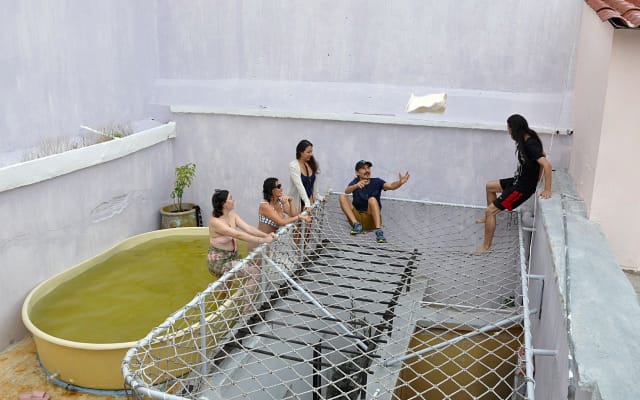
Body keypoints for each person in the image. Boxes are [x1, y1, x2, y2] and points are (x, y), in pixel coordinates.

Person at [474, 114, 552, 253]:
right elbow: (543, 154)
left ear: (514, 128)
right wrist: (536, 177)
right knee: (489, 186)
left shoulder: (530, 144)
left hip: (522, 188)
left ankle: (486, 246)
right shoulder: (527, 137)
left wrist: (547, 189)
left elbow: (546, 164)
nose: (508, 130)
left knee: (490, 210)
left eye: (509, 127)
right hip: (519, 180)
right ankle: (489, 219)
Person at [208, 189, 275, 311]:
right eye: (230, 198)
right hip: (219, 260)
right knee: (255, 273)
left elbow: (248, 228)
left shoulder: (232, 215)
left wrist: (265, 235)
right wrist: (263, 240)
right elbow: (238, 235)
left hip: (233, 256)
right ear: (223, 204)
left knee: (225, 288)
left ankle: (215, 309)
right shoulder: (215, 222)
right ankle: (247, 312)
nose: (233, 200)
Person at [339, 160, 410, 243]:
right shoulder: (355, 182)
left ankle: (378, 231)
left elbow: (391, 186)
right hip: (357, 218)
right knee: (342, 196)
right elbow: (347, 191)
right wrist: (356, 185)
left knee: (372, 199)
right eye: (363, 168)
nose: (367, 171)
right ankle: (356, 225)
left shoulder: (377, 182)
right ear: (357, 173)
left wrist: (400, 182)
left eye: (368, 168)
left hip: (371, 219)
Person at [289, 139, 323, 211]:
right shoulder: (293, 166)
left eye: (311, 151)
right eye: (308, 152)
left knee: (311, 221)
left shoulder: (311, 164)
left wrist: (318, 196)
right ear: (301, 152)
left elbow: (314, 184)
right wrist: (307, 202)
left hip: (309, 200)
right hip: (298, 201)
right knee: (298, 221)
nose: (311, 154)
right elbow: (299, 185)